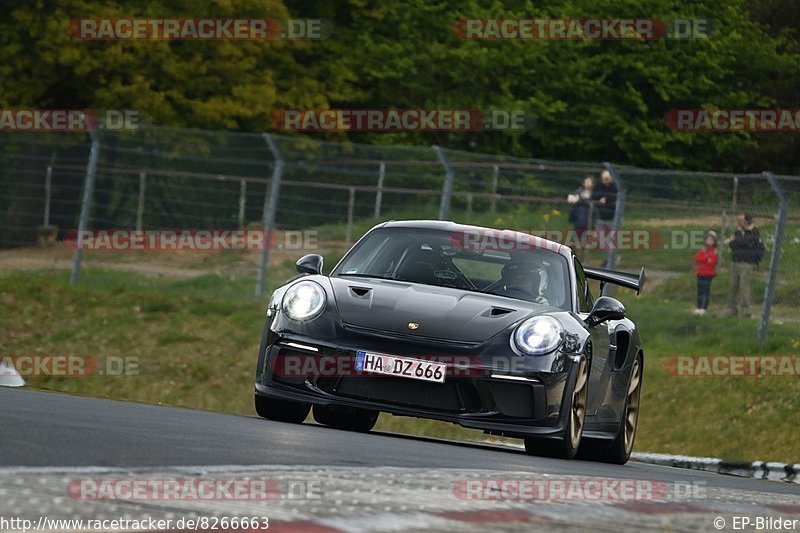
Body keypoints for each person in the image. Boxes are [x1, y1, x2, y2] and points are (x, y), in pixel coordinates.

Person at [726, 212, 762, 317]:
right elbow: (732, 244)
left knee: (744, 286)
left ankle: (745, 310)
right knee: (733, 286)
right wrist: (737, 242)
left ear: (747, 221)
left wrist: (738, 242)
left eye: (741, 220)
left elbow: (749, 243)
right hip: (735, 261)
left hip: (746, 262)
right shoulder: (737, 232)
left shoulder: (754, 231)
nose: (739, 222)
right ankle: (731, 309)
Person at [693, 231, 718, 315]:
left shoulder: (714, 250)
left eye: (711, 240)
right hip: (700, 272)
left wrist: (704, 257)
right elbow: (697, 258)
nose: (709, 241)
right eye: (708, 239)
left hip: (708, 273)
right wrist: (705, 257)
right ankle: (698, 306)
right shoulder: (703, 249)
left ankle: (704, 307)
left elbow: (711, 261)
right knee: (699, 290)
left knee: (705, 290)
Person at [567, 175, 594, 243]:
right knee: (575, 237)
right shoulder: (579, 191)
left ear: (593, 184)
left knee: (586, 238)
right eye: (586, 181)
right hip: (578, 219)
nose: (587, 183)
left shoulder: (595, 193)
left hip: (589, 219)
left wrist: (579, 199)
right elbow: (570, 198)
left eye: (589, 182)